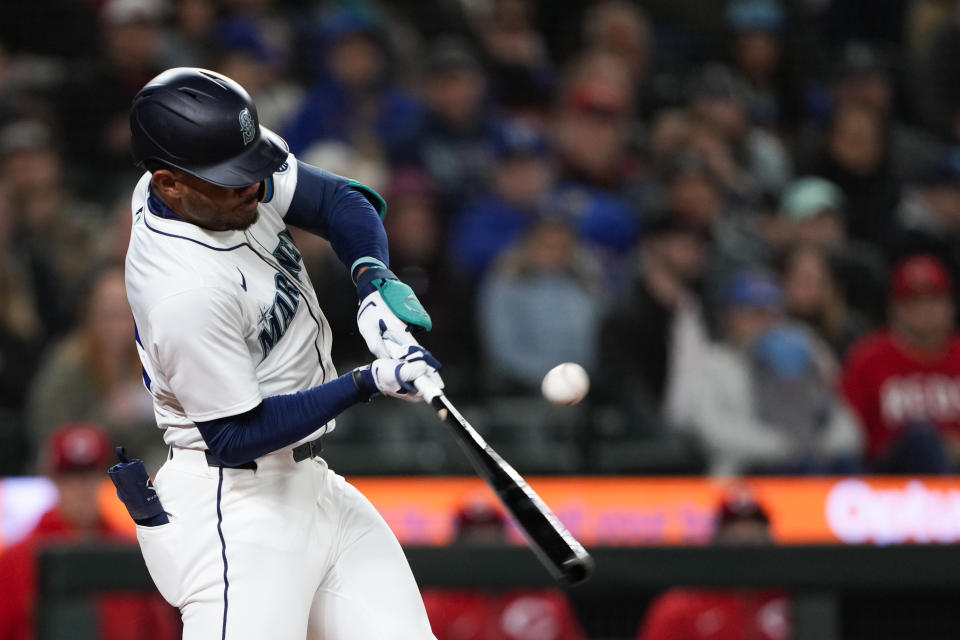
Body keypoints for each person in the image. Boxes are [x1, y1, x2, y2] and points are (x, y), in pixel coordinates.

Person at [124, 68, 443, 638]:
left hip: (311, 484)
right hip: (234, 509)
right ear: (169, 183)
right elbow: (234, 433)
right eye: (231, 177)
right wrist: (367, 381)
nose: (252, 185)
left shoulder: (208, 188)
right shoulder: (181, 291)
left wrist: (372, 283)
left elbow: (341, 199)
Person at [0, 423, 178, 640]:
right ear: (53, 480)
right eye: (70, 476)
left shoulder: (133, 554)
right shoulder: (15, 560)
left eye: (89, 474)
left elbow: (161, 633)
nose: (81, 487)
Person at [686, 268, 862, 475]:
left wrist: (822, 445)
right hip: (746, 474)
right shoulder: (713, 362)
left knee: (846, 466)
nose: (763, 322)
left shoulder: (804, 355)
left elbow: (845, 425)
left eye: (771, 313)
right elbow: (712, 431)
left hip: (810, 462)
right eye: (752, 313)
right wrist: (786, 446)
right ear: (728, 317)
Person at [841, 254, 960, 472]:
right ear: (895, 308)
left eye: (933, 300)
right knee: (921, 439)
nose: (924, 311)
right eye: (913, 301)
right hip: (888, 478)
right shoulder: (868, 358)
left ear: (949, 305)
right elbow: (849, 436)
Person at [421, 497, 586, 640]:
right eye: (472, 534)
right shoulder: (437, 603)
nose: (483, 541)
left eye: (490, 533)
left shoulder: (542, 598)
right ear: (458, 542)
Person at [637, 488, 790, 640]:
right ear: (717, 540)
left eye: (755, 536)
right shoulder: (683, 605)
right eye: (734, 536)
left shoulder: (791, 599)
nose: (746, 539)